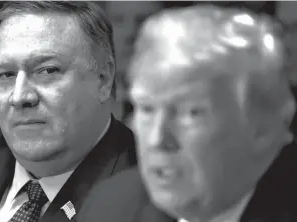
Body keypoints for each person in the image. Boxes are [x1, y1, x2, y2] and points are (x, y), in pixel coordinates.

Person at [77, 5, 297, 222]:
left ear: (262, 129)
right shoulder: (112, 206)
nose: (157, 140)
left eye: (191, 113)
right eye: (146, 109)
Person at [0, 2, 136, 222]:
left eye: (47, 71)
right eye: (5, 75)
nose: (20, 96)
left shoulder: (146, 191)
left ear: (103, 79)